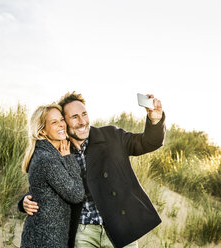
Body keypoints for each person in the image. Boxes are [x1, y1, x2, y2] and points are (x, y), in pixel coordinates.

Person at [19, 92, 166, 248]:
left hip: (119, 229)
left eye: (84, 114)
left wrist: (155, 120)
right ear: (65, 122)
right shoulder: (62, 150)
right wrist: (25, 201)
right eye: (74, 117)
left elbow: (148, 142)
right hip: (83, 233)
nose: (82, 122)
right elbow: (50, 184)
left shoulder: (111, 136)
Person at [20, 103, 85, 248]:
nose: (62, 125)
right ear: (42, 131)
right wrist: (68, 158)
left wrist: (23, 201)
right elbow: (76, 195)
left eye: (62, 120)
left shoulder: (51, 152)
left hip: (48, 236)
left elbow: (43, 191)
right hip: (45, 239)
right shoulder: (47, 158)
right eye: (54, 122)